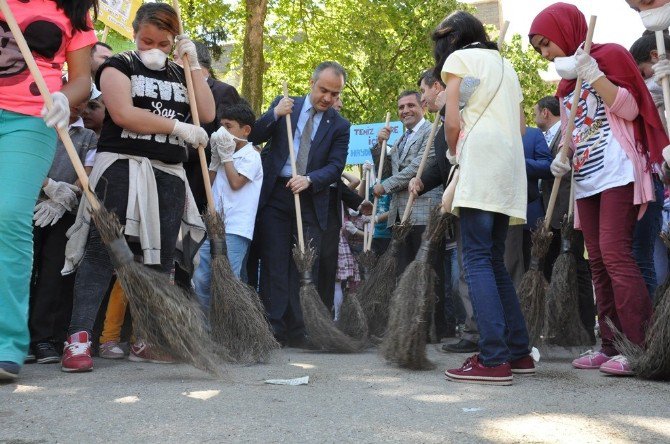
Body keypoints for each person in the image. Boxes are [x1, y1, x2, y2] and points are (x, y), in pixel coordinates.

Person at [60, 2, 214, 373]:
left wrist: (193, 66)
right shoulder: (120, 65)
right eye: (148, 40)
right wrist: (176, 128)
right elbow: (124, 113)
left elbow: (207, 114)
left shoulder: (181, 72)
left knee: (160, 258)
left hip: (169, 173)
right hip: (122, 168)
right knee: (102, 252)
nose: (155, 49)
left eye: (164, 43)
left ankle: (147, 337)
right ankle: (78, 339)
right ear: (134, 33)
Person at [530, 2, 668, 376]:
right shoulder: (564, 84)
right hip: (586, 178)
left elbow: (630, 109)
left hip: (618, 172)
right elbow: (575, 130)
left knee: (616, 254)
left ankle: (639, 345)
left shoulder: (610, 57)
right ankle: (608, 344)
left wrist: (595, 75)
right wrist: (563, 154)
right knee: (599, 263)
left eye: (547, 44)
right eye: (540, 48)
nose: (545, 54)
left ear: (564, 32)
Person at [0, 0, 99, 382]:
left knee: (8, 215)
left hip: (29, 119)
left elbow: (81, 81)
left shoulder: (72, 9)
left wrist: (63, 97)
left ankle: (6, 343)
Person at [433, 11, 532, 386]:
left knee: (474, 258)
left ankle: (493, 359)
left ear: (451, 39)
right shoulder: (507, 67)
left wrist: (454, 153)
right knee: (492, 259)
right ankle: (518, 352)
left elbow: (453, 122)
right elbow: (522, 127)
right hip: (509, 167)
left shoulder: (460, 60)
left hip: (481, 160)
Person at [248, 61, 350, 347]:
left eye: (334, 93)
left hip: (309, 199)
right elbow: (254, 136)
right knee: (275, 262)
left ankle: (300, 329)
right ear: (311, 83)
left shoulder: (340, 125)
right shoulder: (284, 105)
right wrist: (273, 114)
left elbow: (335, 166)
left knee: (304, 265)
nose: (327, 98)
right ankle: (274, 327)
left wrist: (309, 179)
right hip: (276, 198)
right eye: (323, 90)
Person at [28, 83, 97, 364]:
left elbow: (87, 174)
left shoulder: (88, 136)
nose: (78, 105)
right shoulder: (36, 122)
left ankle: (43, 339)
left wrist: (66, 194)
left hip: (65, 210)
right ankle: (15, 338)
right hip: (28, 205)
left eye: (85, 101)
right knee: (23, 271)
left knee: (53, 275)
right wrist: (47, 187)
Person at [410, 69, 478, 351]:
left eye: (424, 92)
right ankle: (474, 332)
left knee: (471, 270)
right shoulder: (441, 126)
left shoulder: (465, 113)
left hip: (476, 197)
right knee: (463, 273)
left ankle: (478, 334)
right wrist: (422, 180)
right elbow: (441, 167)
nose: (423, 99)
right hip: (458, 204)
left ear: (437, 87)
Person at [535, 96, 596, 342]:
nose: (535, 115)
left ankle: (585, 328)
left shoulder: (571, 131)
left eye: (536, 111)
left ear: (547, 112)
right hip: (552, 213)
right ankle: (564, 325)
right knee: (555, 267)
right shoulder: (552, 136)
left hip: (568, 211)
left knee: (578, 268)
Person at [193, 101, 263, 314]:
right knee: (201, 278)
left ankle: (231, 329)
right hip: (214, 226)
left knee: (228, 281)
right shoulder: (224, 154)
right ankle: (206, 330)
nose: (223, 132)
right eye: (221, 126)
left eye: (229, 126)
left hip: (236, 228)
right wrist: (215, 161)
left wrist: (226, 157)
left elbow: (236, 182)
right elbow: (210, 184)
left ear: (246, 130)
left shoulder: (252, 156)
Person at [504, 126, 553, 288]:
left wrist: (520, 163)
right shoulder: (487, 131)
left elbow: (547, 166)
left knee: (529, 269)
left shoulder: (532, 134)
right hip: (495, 214)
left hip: (528, 215)